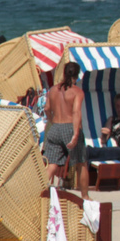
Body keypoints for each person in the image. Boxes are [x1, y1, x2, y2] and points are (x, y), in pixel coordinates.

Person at [42, 61, 85, 191]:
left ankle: (40, 192)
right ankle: (85, 196)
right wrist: (76, 134)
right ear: (77, 76)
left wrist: (52, 120)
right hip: (69, 127)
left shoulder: (53, 89)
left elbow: (47, 108)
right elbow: (76, 112)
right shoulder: (77, 91)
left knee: (52, 164)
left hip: (55, 127)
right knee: (81, 164)